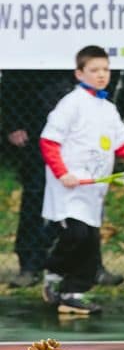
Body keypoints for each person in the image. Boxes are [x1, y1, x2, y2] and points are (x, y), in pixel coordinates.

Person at [39, 46, 124, 315]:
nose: (101, 75)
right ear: (79, 74)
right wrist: (63, 173)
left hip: (93, 190)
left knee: (89, 241)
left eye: (105, 70)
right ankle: (55, 272)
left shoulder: (108, 109)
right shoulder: (70, 104)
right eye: (94, 70)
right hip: (68, 187)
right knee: (76, 234)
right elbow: (49, 141)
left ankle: (71, 293)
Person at [3, 69, 74, 287]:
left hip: (73, 127)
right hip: (33, 120)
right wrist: (13, 123)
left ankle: (82, 261)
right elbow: (10, 78)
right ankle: (29, 263)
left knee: (79, 194)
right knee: (35, 193)